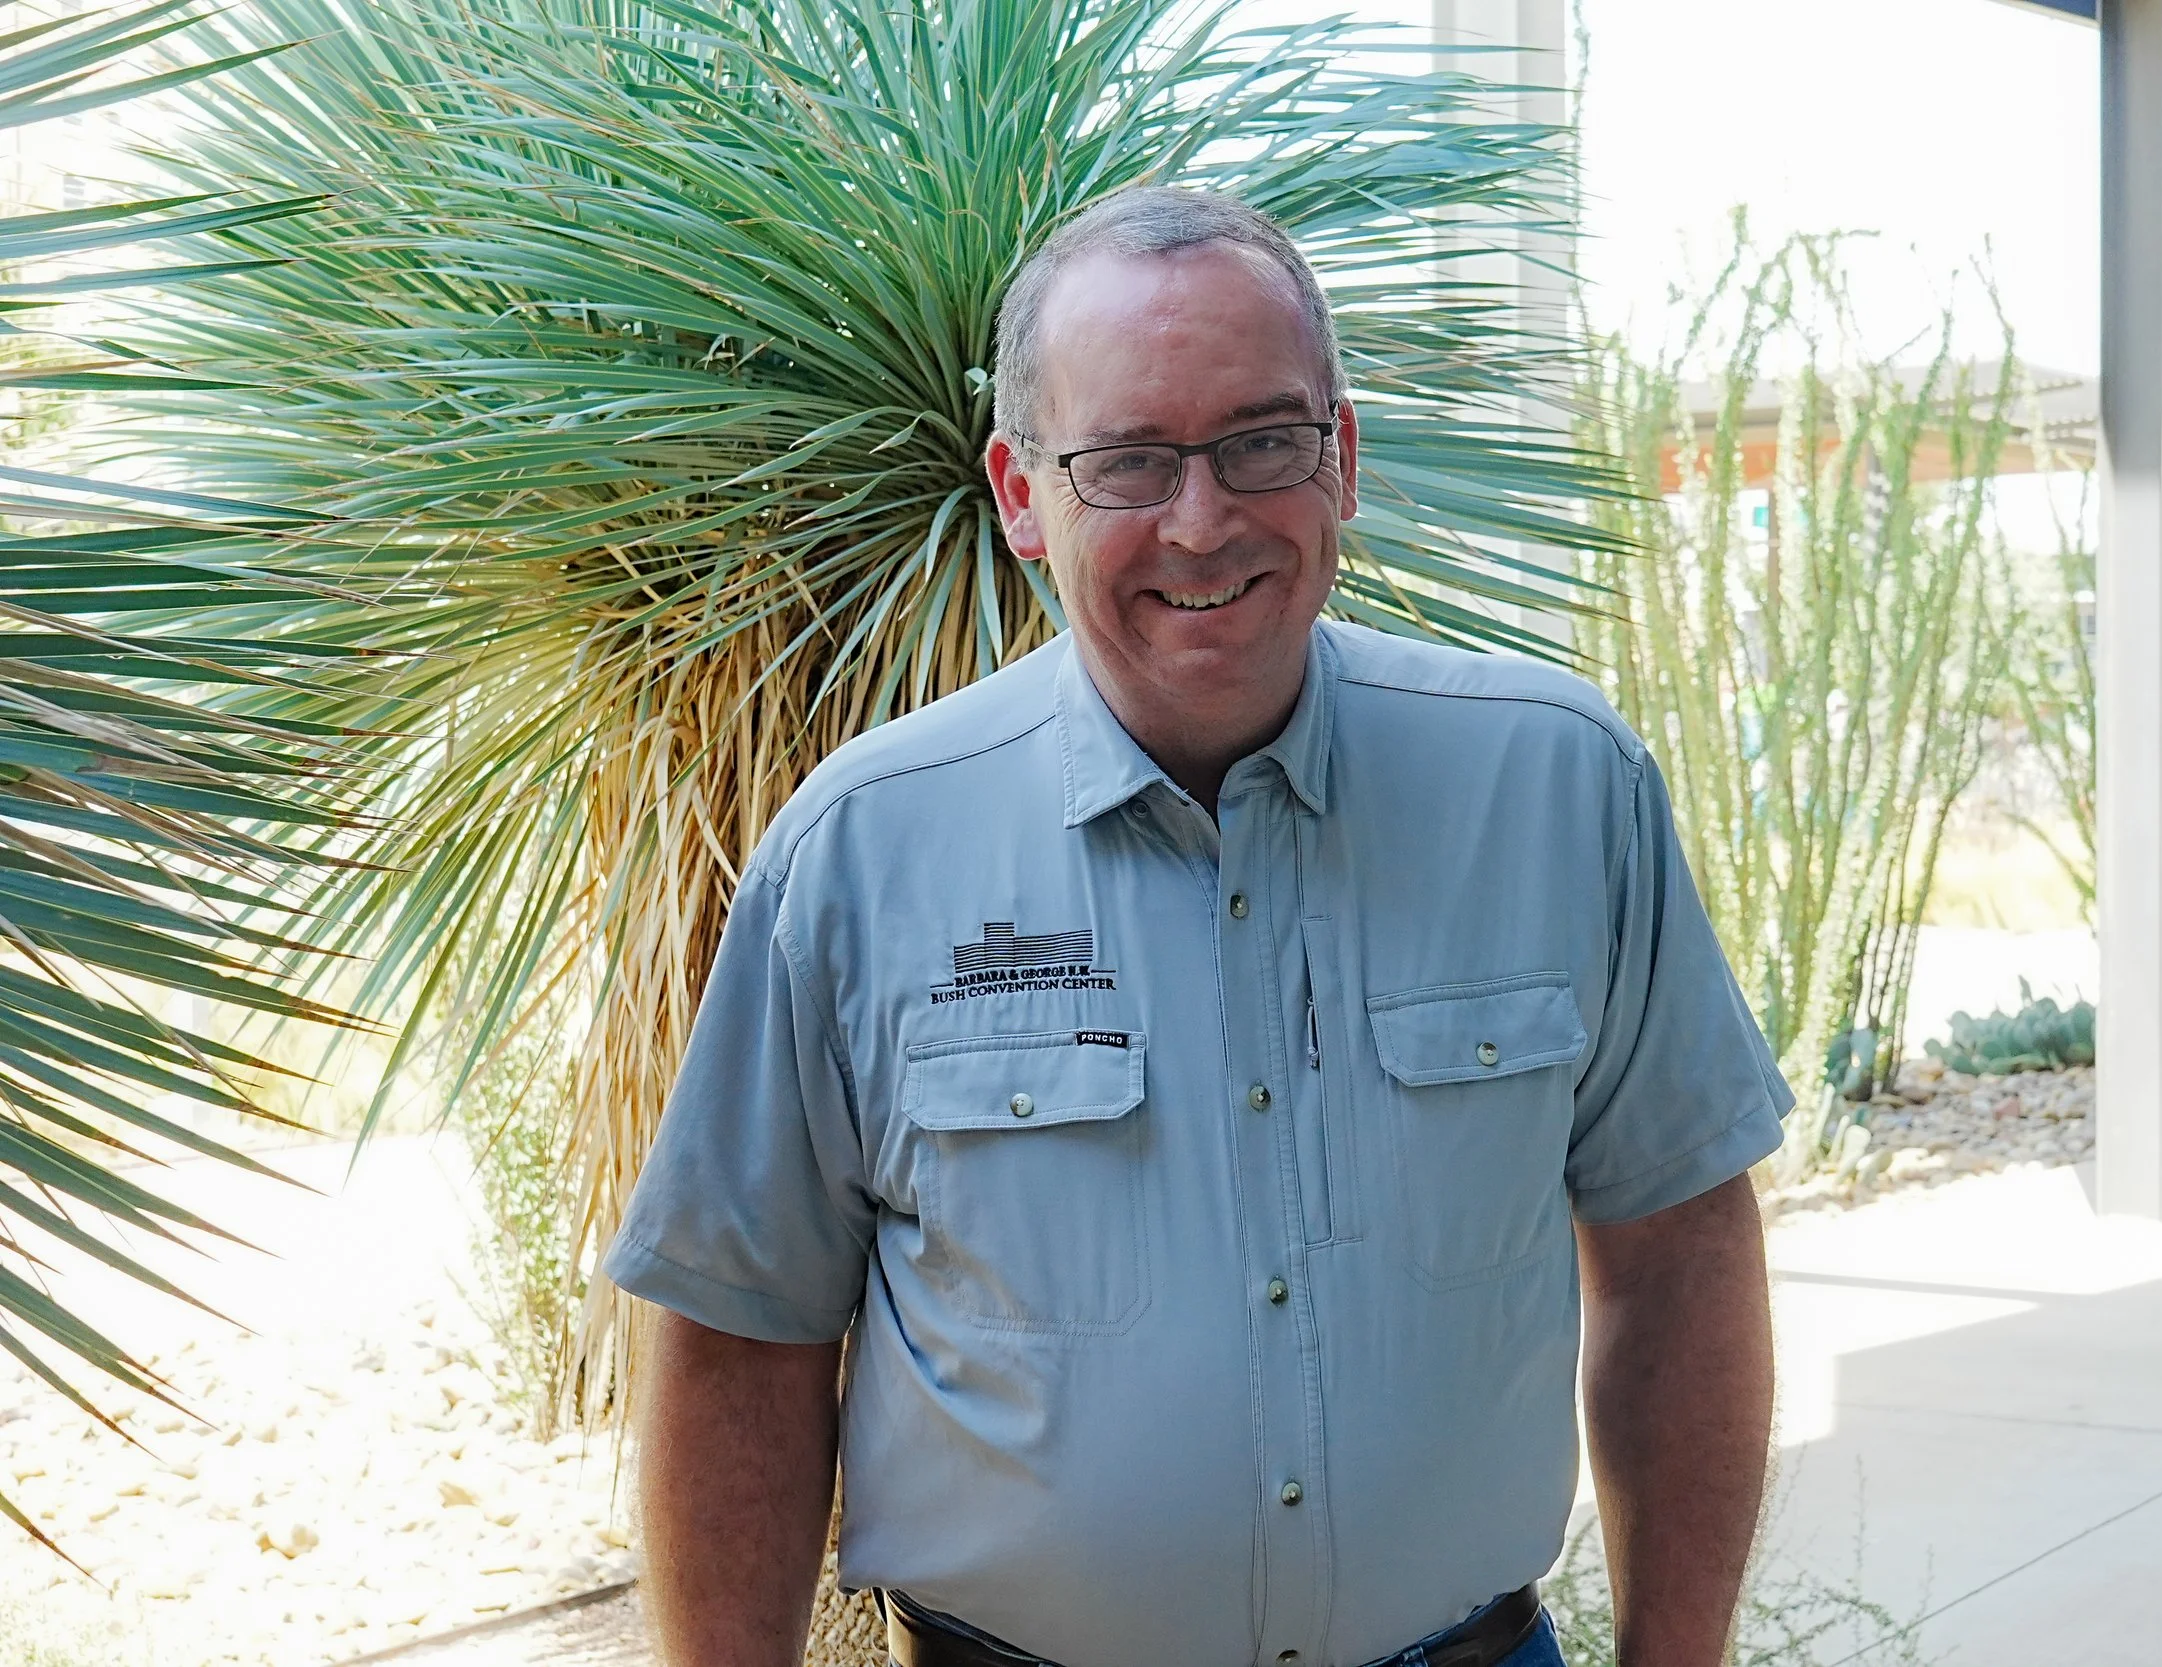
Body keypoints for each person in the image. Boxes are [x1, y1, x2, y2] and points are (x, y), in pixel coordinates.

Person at [607, 185, 1791, 1667]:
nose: (1204, 517)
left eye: (1261, 441)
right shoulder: (857, 857)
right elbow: (740, 1346)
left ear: (1341, 454)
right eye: (1128, 460)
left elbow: (1679, 1251)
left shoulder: (1560, 790)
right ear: (1023, 493)